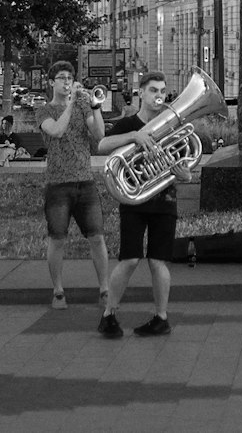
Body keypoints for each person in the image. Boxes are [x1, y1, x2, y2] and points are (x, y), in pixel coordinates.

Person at [96, 71, 191, 338]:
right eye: (153, 91)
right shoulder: (128, 123)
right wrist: (134, 137)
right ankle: (108, 315)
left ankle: (161, 318)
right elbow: (102, 144)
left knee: (159, 261)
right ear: (141, 93)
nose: (159, 96)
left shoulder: (170, 126)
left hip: (165, 200)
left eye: (162, 91)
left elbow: (183, 165)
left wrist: (185, 174)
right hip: (134, 201)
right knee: (129, 259)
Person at [35, 62, 110, 310]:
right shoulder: (44, 110)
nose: (67, 83)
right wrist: (70, 105)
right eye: (62, 78)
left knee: (97, 237)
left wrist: (95, 105)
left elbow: (99, 135)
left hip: (85, 181)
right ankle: (57, 291)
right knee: (57, 239)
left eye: (70, 78)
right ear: (51, 82)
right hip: (58, 184)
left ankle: (105, 290)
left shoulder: (82, 105)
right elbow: (56, 131)